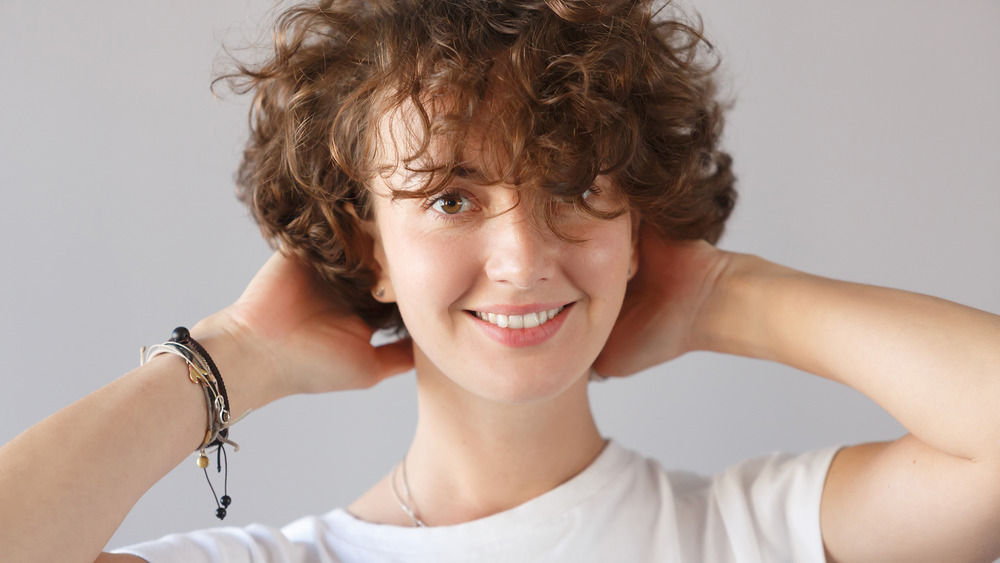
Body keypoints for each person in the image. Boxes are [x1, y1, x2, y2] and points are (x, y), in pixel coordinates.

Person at [1, 0, 999, 561]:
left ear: (637, 211)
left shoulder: (752, 535)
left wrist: (720, 294)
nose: (524, 256)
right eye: (446, 196)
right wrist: (231, 360)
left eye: (572, 184)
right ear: (367, 240)